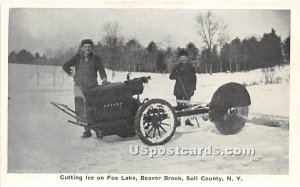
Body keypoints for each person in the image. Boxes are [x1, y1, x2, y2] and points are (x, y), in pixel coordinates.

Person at [63, 39, 108, 138]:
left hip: (92, 87)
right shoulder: (77, 58)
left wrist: (104, 80)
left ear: (92, 48)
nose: (87, 48)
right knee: (81, 108)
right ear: (82, 48)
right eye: (85, 46)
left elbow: (101, 70)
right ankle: (87, 130)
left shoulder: (96, 58)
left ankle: (99, 129)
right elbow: (65, 65)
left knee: (95, 108)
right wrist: (72, 74)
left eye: (89, 47)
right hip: (79, 87)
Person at [169, 49, 197, 126]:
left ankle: (187, 120)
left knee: (187, 105)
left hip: (188, 89)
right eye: (181, 57)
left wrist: (193, 89)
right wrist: (176, 74)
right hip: (179, 89)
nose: (183, 59)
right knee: (179, 106)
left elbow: (194, 79)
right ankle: (178, 120)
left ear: (187, 58)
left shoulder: (191, 67)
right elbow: (171, 77)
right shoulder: (177, 67)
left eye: (184, 57)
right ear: (179, 58)